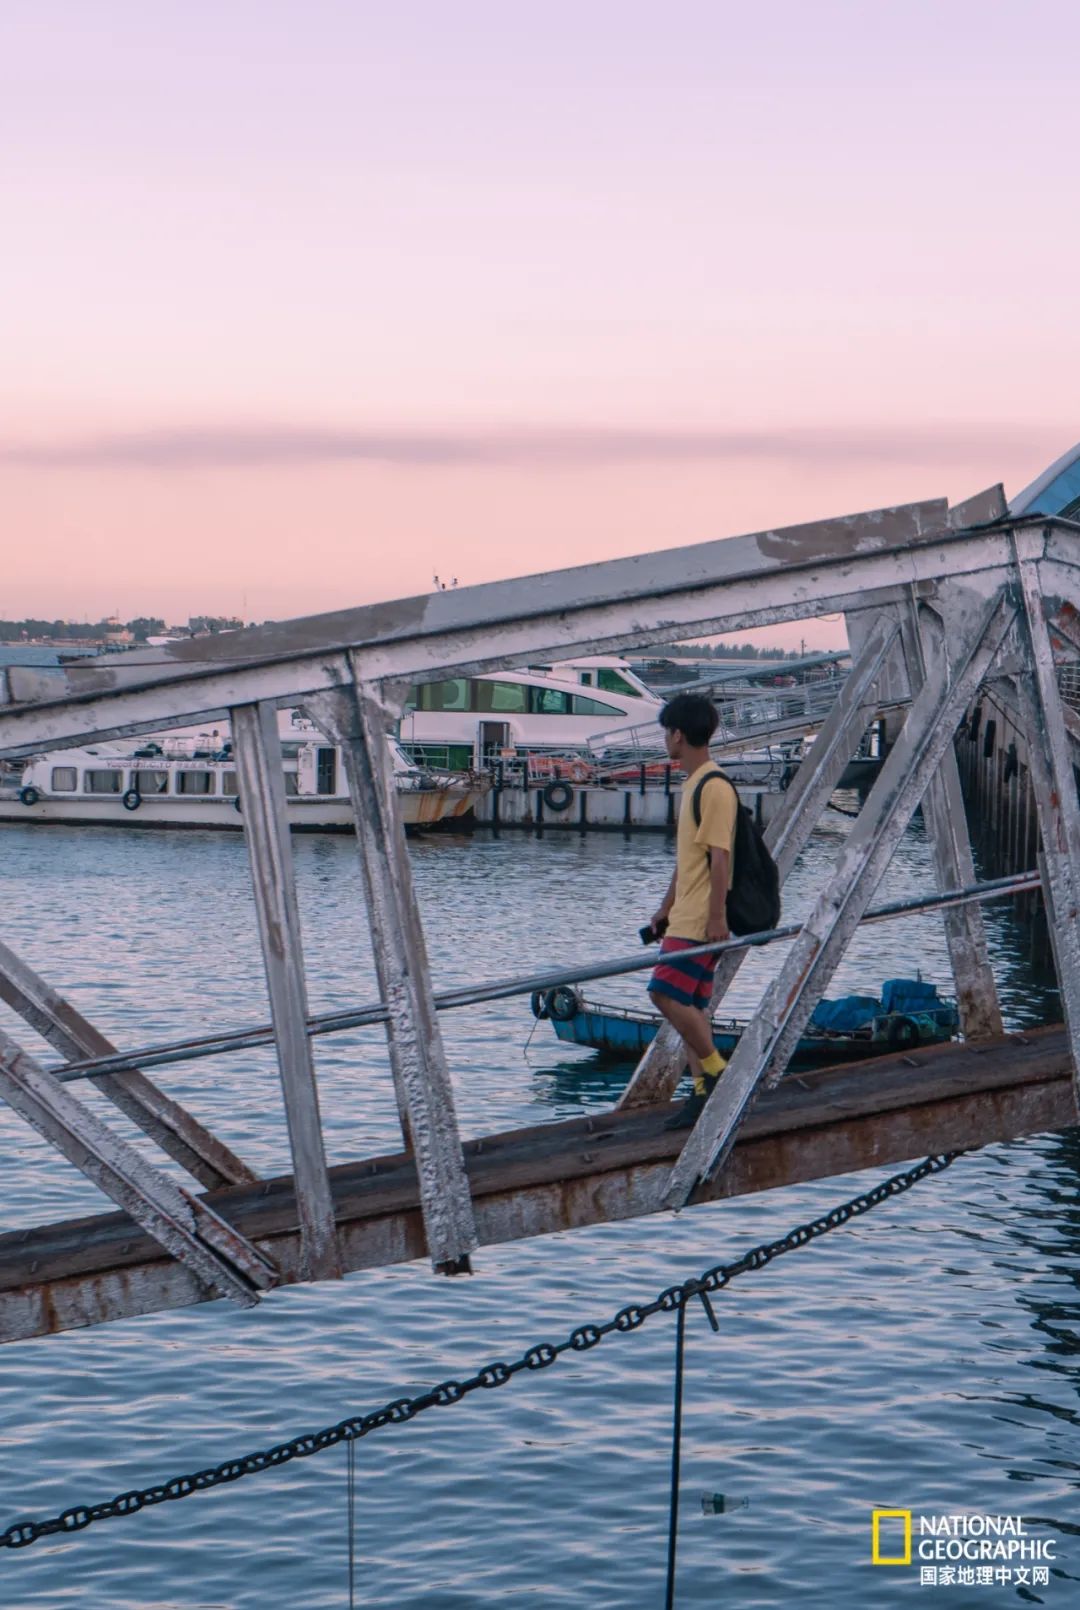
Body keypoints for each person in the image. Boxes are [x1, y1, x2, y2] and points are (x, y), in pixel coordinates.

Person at [647, 693, 738, 1129]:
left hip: (701, 920)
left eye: (668, 732)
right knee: (691, 1011)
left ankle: (718, 1073)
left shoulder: (714, 787)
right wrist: (665, 907)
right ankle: (701, 1092)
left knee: (664, 993)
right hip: (686, 916)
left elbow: (720, 858)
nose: (667, 740)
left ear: (678, 735)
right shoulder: (695, 785)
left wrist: (716, 917)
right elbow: (689, 861)